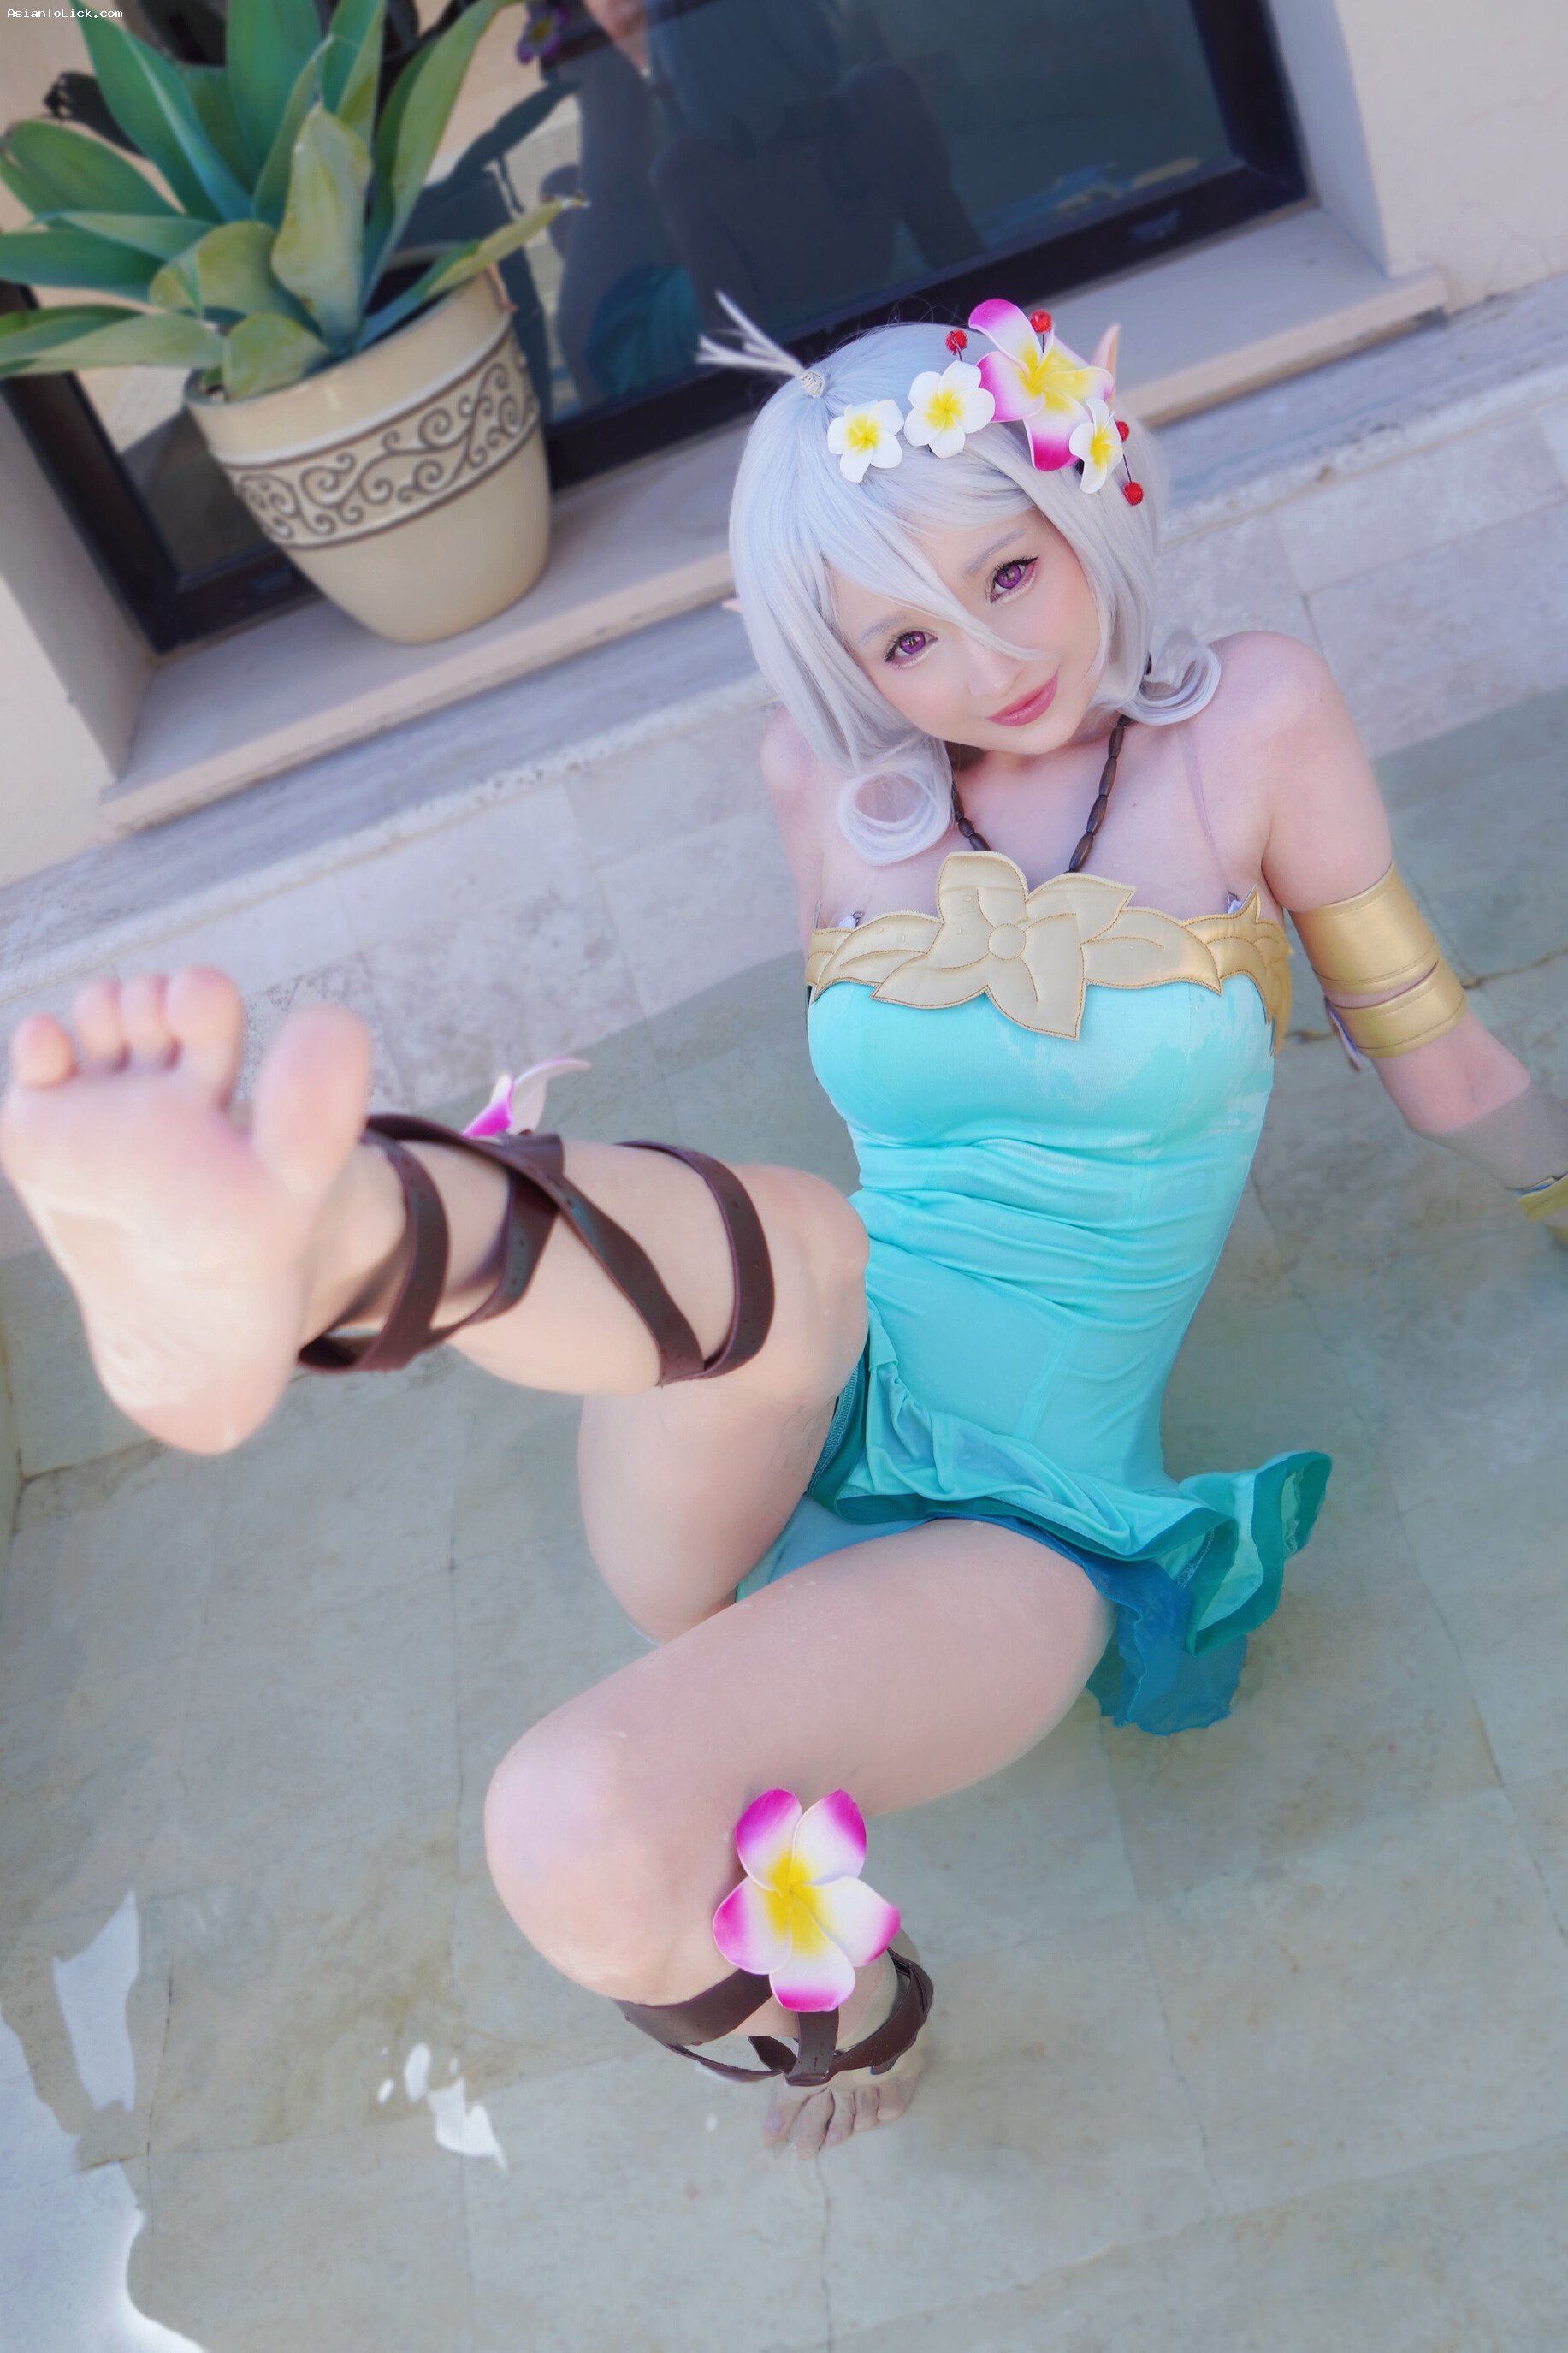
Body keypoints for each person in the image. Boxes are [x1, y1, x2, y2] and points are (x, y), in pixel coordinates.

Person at [4, 302, 1565, 2162]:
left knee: (564, 1822)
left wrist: (1554, 1187)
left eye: (1009, 570)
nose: (990, 662)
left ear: (1091, 500)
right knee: (810, 1239)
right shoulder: (821, 786)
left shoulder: (1253, 721)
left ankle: (851, 2019)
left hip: (1027, 1525)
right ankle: (322, 1238)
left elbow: (1435, 1056)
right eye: (905, 637)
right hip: (761, 1417)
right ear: (841, 660)